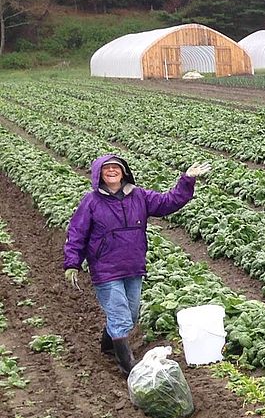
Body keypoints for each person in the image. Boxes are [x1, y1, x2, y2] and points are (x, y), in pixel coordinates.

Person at [64, 155, 211, 375]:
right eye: (107, 169)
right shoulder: (91, 201)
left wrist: (187, 180)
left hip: (133, 265)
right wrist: (72, 262)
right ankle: (127, 366)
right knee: (121, 316)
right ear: (98, 174)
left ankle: (108, 345)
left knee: (130, 315)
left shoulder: (139, 195)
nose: (112, 171)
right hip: (105, 268)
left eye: (116, 168)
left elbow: (167, 202)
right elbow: (77, 232)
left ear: (124, 172)